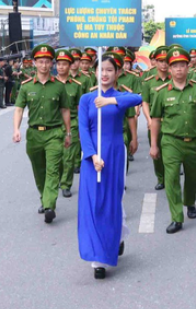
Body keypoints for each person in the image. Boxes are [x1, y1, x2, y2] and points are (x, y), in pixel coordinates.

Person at [77, 52, 143, 280]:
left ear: (117, 73)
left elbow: (138, 99)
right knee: (94, 202)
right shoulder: (86, 99)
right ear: (94, 72)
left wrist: (110, 100)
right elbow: (83, 130)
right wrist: (92, 155)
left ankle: (118, 236)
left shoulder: (120, 96)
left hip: (115, 152)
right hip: (92, 157)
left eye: (109, 70)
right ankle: (98, 259)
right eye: (100, 69)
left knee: (113, 199)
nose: (104, 74)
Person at [150, 46, 196, 234]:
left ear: (188, 67)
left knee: (193, 177)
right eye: (175, 66)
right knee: (171, 179)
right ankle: (176, 217)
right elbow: (155, 120)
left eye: (182, 65)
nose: (179, 69)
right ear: (169, 69)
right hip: (171, 141)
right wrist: (154, 144)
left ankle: (190, 201)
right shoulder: (161, 92)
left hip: (195, 141)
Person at [12, 44, 71, 224]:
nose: (44, 65)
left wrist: (68, 132)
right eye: (40, 62)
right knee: (40, 171)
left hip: (54, 133)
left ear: (51, 63)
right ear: (35, 63)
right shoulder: (26, 87)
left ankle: (49, 206)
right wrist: (16, 129)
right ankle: (44, 197)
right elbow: (19, 109)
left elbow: (65, 110)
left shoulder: (59, 87)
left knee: (53, 170)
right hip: (34, 135)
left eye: (47, 62)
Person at [54, 49, 84, 198]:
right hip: (52, 125)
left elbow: (80, 108)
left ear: (69, 65)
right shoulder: (50, 84)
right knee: (55, 158)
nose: (61, 67)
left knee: (68, 157)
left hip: (71, 124)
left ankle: (66, 184)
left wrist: (80, 127)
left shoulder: (76, 85)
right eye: (58, 64)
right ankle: (56, 181)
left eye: (64, 64)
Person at [141, 46, 170, 190]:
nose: (164, 64)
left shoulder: (177, 80)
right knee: (156, 151)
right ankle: (161, 178)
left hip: (171, 123)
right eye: (160, 61)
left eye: (166, 61)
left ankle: (171, 178)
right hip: (155, 123)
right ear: (155, 62)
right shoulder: (149, 81)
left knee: (171, 154)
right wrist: (149, 119)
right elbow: (145, 102)